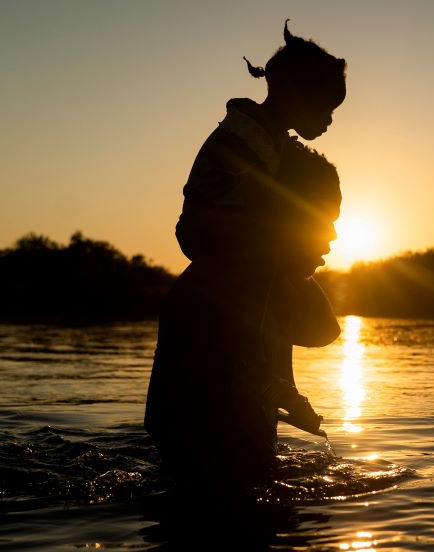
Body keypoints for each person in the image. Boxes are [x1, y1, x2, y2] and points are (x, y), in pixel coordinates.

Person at [145, 23, 345, 486]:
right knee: (223, 467)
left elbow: (290, 332)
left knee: (227, 464)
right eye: (327, 107)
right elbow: (235, 214)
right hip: (215, 285)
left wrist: (287, 389)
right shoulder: (249, 135)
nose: (330, 122)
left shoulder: (275, 145)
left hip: (229, 279)